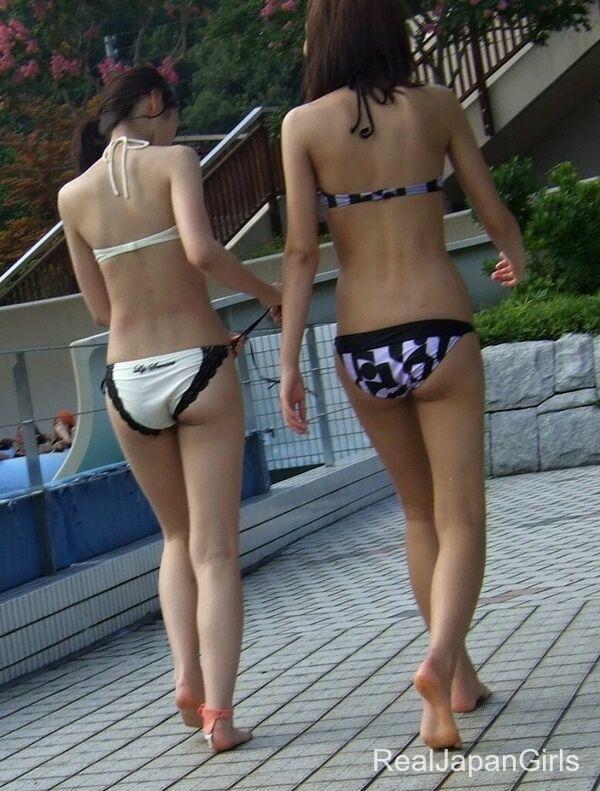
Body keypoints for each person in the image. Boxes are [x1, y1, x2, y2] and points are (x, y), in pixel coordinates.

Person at [279, 0, 525, 750]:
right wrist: (518, 255)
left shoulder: (302, 126)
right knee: (462, 517)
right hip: (439, 326)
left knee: (419, 517)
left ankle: (459, 684)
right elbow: (489, 207)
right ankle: (441, 663)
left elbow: (300, 253)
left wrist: (287, 361)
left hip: (362, 343)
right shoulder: (437, 107)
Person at [58, 66, 281, 753]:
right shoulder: (176, 162)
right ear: (155, 103)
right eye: (173, 113)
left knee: (176, 539)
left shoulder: (73, 195)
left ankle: (185, 674)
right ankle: (220, 715)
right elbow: (202, 251)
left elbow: (99, 310)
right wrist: (269, 292)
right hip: (198, 363)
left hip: (126, 378)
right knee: (216, 550)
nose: (176, 127)